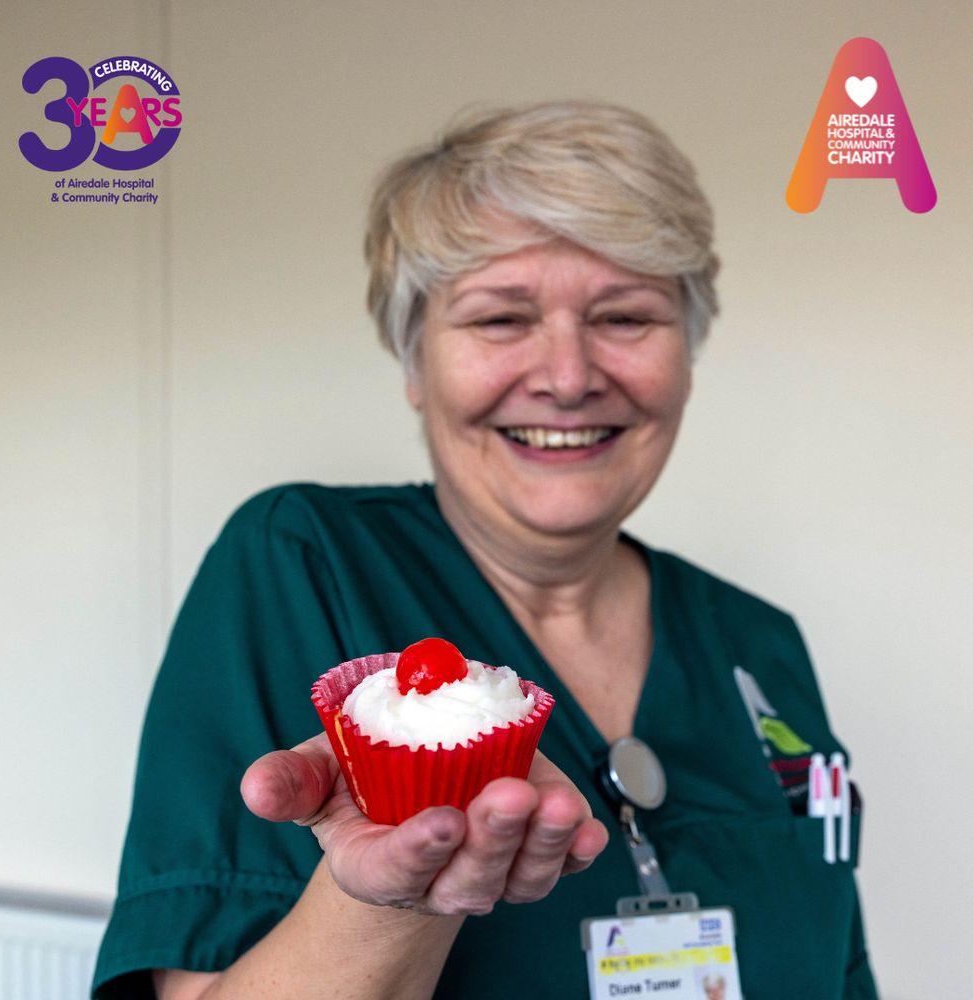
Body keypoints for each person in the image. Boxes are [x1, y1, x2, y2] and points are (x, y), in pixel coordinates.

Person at [92, 100, 878, 999]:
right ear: (414, 363)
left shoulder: (758, 646)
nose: (569, 378)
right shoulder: (304, 566)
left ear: (688, 354)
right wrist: (395, 895)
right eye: (501, 319)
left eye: (625, 317)